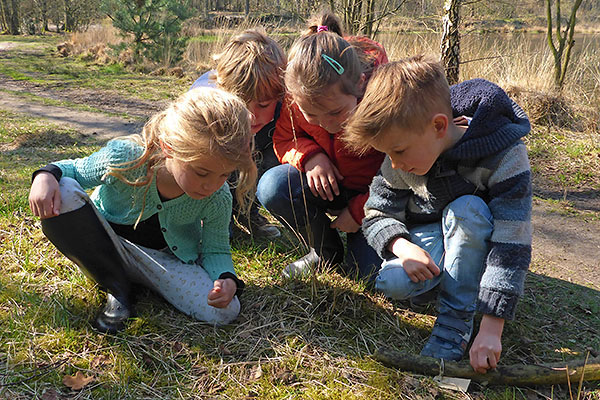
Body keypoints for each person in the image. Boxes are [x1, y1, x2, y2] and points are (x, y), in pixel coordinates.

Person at [343, 56, 532, 372]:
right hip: (434, 239)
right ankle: (458, 288)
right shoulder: (403, 152)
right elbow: (375, 212)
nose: (395, 164)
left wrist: (492, 326)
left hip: (478, 239)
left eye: (399, 151)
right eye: (388, 154)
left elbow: (512, 242)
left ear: (439, 126)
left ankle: (455, 323)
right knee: (392, 283)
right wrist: (403, 248)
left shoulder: (505, 155)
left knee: (467, 210)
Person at [28, 87, 257, 333]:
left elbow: (216, 248)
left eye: (224, 174)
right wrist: (45, 175)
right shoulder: (126, 157)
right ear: (168, 146)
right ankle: (117, 287)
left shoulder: (218, 197)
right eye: (201, 172)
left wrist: (226, 279)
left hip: (162, 260)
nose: (211, 185)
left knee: (225, 311)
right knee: (62, 189)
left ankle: (135, 280)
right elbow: (74, 170)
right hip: (105, 244)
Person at [256, 12, 387, 281]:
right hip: (331, 187)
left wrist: (359, 210)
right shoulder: (299, 97)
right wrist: (310, 156)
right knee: (273, 187)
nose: (326, 124)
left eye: (336, 113)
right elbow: (283, 139)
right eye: (312, 116)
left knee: (366, 275)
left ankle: (363, 244)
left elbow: (400, 172)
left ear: (360, 84)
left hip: (376, 198)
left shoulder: (383, 100)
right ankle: (324, 251)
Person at [190, 28, 286, 239]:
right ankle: (214, 217)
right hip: (215, 168)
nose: (251, 116)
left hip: (257, 155)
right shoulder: (205, 103)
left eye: (262, 105)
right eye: (241, 104)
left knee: (266, 161)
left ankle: (247, 213)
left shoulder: (283, 108)